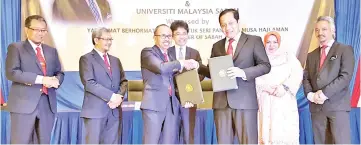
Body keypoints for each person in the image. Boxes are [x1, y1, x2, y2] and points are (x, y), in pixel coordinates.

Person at [198, 9, 271, 144]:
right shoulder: (217, 46)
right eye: (223, 25)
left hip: (245, 103)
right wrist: (198, 67)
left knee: (248, 141)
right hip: (221, 104)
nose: (227, 28)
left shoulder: (254, 40)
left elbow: (266, 66)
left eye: (230, 23)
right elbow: (213, 73)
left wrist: (242, 73)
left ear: (238, 22)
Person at [5, 15, 64, 144]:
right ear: (27, 30)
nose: (40, 33)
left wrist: (56, 80)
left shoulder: (51, 51)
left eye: (43, 30)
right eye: (36, 29)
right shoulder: (15, 48)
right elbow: (12, 73)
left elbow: (59, 72)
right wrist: (42, 79)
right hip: (23, 104)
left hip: (47, 105)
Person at [140, 24, 198, 144]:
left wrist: (187, 97)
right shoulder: (148, 52)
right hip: (154, 106)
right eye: (163, 36)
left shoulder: (170, 56)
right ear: (154, 37)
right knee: (151, 141)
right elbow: (161, 68)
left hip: (171, 106)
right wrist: (182, 62)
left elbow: (178, 79)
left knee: (169, 142)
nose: (167, 39)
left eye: (169, 36)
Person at [303, 16, 355, 144]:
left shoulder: (344, 49)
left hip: (337, 107)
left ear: (333, 30)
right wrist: (310, 95)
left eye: (324, 29)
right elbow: (306, 78)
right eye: (317, 30)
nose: (320, 33)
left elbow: (345, 76)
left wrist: (324, 93)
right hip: (317, 109)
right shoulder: (311, 55)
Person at [79, 27, 128, 144]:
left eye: (110, 39)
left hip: (114, 112)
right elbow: (89, 83)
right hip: (95, 112)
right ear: (96, 40)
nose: (109, 42)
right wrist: (112, 96)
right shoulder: (86, 59)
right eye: (106, 39)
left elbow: (124, 81)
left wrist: (119, 97)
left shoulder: (116, 60)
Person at [256, 31, 302, 145]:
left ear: (279, 43)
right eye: (268, 42)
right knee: (266, 135)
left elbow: (297, 73)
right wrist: (264, 87)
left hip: (284, 101)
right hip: (266, 101)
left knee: (283, 134)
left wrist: (284, 87)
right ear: (264, 43)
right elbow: (254, 77)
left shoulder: (288, 56)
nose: (271, 45)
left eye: (275, 42)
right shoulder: (259, 59)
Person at [168, 20, 205, 144]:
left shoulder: (194, 53)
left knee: (188, 134)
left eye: (184, 33)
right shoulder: (167, 52)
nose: (181, 36)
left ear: (188, 34)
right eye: (178, 33)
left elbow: (202, 73)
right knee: (170, 133)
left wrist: (190, 83)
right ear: (172, 36)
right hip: (171, 98)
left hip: (190, 98)